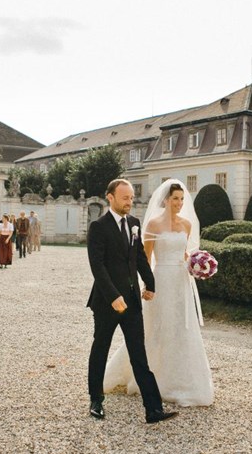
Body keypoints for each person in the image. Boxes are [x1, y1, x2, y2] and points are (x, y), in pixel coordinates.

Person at [103, 180, 213, 406]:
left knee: (182, 328)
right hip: (161, 279)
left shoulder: (186, 225)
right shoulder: (153, 224)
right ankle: (149, 377)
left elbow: (184, 254)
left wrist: (197, 265)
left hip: (181, 281)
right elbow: (145, 258)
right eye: (175, 199)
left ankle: (183, 380)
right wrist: (147, 284)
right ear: (166, 200)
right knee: (158, 326)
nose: (179, 203)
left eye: (182, 199)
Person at [87, 178, 177, 424]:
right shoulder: (98, 227)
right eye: (125, 197)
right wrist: (113, 296)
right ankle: (96, 400)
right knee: (100, 349)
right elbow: (98, 266)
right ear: (110, 197)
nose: (130, 201)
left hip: (132, 302)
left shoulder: (135, 224)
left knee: (139, 353)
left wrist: (151, 284)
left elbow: (139, 259)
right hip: (107, 301)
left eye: (131, 197)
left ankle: (153, 408)